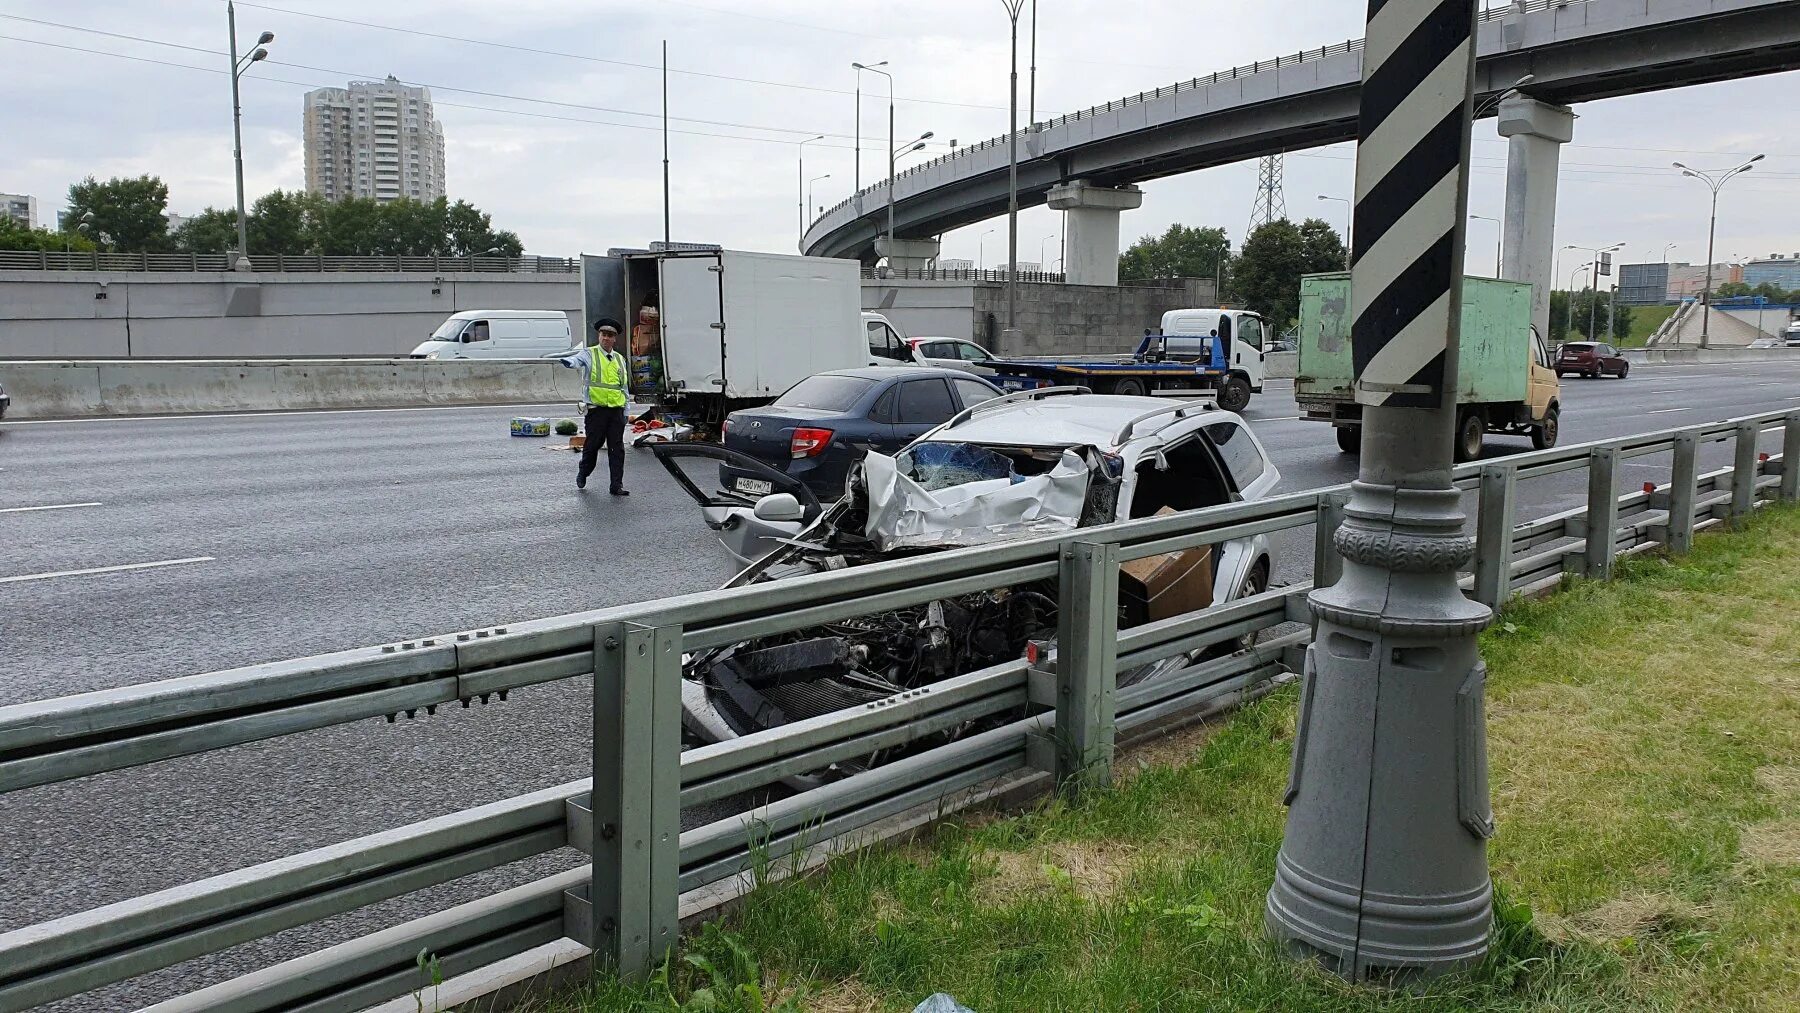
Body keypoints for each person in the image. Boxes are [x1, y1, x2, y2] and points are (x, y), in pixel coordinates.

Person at [559, 320, 630, 495]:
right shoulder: (589, 353)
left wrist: (626, 412)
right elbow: (577, 360)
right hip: (596, 410)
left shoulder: (620, 360)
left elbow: (624, 388)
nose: (606, 338)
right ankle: (583, 472)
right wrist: (568, 362)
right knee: (592, 446)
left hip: (616, 411)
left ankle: (616, 486)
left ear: (615, 339)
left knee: (617, 449)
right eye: (603, 334)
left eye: (610, 335)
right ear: (599, 336)